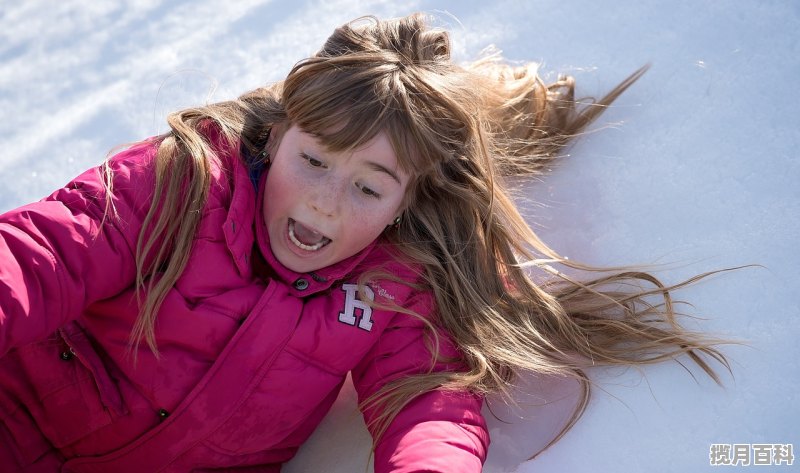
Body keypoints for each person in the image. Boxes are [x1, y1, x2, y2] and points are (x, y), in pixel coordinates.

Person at [0, 12, 728, 473]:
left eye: (369, 187)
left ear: (409, 199)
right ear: (276, 132)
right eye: (312, 160)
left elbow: (431, 402)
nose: (324, 197)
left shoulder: (397, 282)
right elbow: (35, 257)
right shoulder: (181, 180)